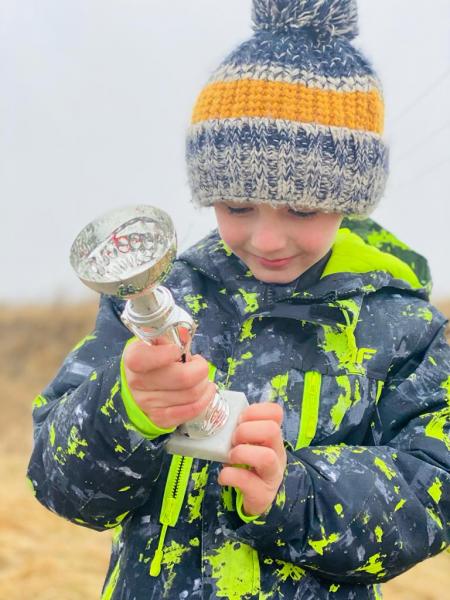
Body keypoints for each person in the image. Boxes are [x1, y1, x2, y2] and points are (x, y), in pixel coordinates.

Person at [27, 1, 450, 599]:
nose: (268, 239)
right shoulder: (162, 298)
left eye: (302, 210)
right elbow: (60, 483)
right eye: (237, 206)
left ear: (351, 198)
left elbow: (435, 487)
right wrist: (129, 407)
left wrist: (294, 492)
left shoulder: (400, 324)